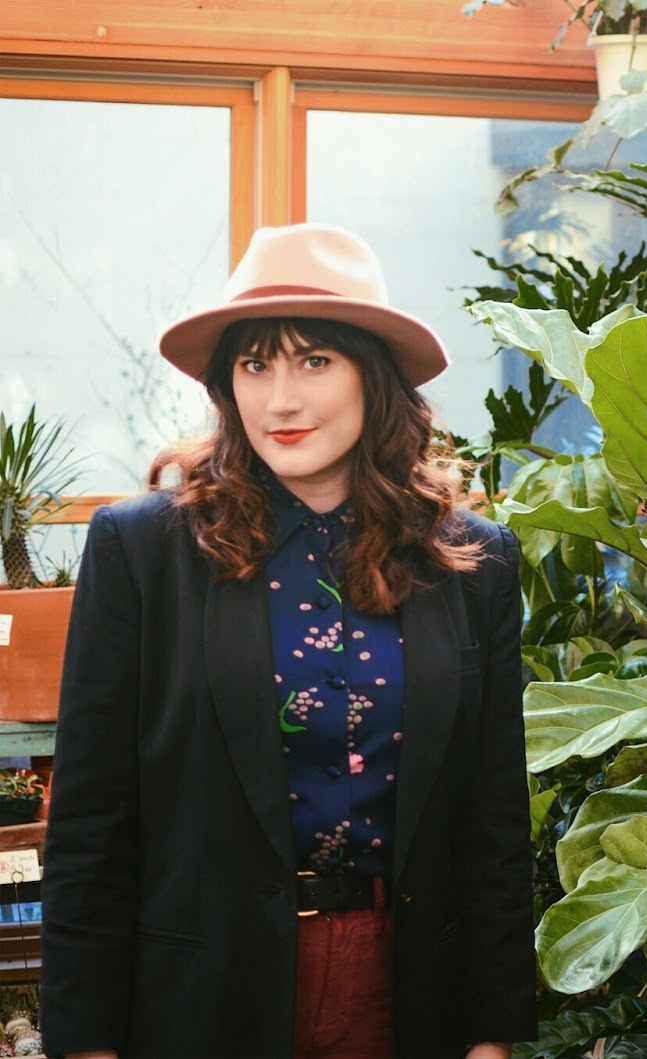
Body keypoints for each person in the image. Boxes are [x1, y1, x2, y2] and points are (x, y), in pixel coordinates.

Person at [41, 223, 539, 1058]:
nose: (280, 400)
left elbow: (492, 821)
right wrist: (86, 1040)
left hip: (408, 991)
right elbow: (91, 821)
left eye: (314, 360)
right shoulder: (144, 551)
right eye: (254, 364)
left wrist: (492, 1033)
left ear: (373, 374)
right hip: (201, 994)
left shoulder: (471, 563)